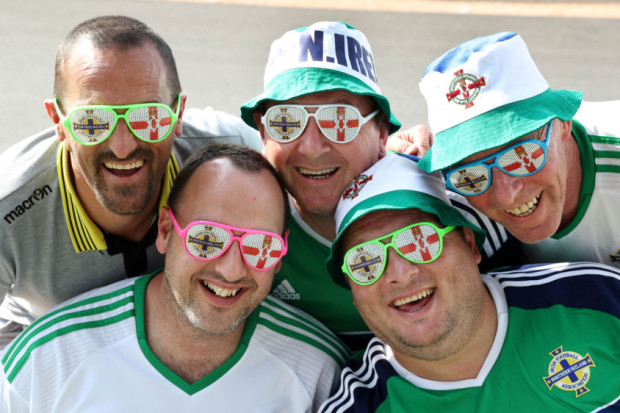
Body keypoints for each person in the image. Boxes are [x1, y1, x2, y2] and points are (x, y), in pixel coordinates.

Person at [0, 144, 349, 412]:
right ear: (166, 230)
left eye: (260, 246)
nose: (231, 270)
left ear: (280, 256)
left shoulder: (318, 369)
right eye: (207, 238)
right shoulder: (48, 356)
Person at [239, 21, 509, 349]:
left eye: (340, 121)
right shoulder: (244, 232)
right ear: (263, 132)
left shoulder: (451, 205)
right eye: (286, 122)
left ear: (382, 132)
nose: (310, 147)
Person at [0, 15, 261, 347]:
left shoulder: (229, 152)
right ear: (58, 122)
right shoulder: (7, 205)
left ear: (179, 114)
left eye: (148, 117)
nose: (122, 147)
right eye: (93, 121)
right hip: (39, 335)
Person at [319, 153, 620, 412]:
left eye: (419, 241)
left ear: (469, 245)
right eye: (365, 262)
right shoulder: (360, 405)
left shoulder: (596, 299)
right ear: (354, 292)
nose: (399, 272)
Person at [393, 31, 620, 268]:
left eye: (522, 156)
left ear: (563, 124)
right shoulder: (458, 189)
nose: (505, 195)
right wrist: (384, 156)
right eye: (472, 174)